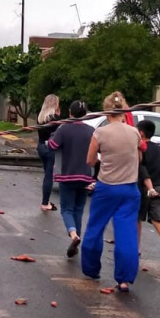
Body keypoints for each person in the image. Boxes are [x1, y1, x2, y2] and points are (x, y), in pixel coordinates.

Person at [82, 92, 141, 288]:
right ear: (124, 111)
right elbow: (139, 158)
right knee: (126, 234)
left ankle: (91, 270)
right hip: (130, 189)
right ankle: (124, 279)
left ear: (107, 112)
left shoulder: (100, 133)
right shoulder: (134, 133)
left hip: (107, 187)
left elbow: (90, 160)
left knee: (95, 228)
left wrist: (103, 158)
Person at [48, 100, 95, 258]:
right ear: (85, 114)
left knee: (66, 209)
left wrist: (52, 136)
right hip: (85, 176)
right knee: (79, 210)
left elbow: (52, 146)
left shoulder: (64, 129)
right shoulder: (91, 131)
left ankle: (74, 236)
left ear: (70, 113)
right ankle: (76, 243)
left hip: (67, 175)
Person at [136, 119, 160, 264]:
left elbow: (140, 167)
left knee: (137, 218)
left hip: (144, 188)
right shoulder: (158, 148)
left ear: (141, 133)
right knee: (157, 219)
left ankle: (137, 247)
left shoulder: (142, 149)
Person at [36, 94, 61, 211]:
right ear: (55, 104)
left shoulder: (40, 117)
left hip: (41, 146)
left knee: (47, 173)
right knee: (49, 176)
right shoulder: (54, 119)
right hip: (50, 148)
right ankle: (45, 202)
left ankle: (46, 200)